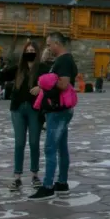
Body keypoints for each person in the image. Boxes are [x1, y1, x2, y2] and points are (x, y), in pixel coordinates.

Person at [29, 32, 78, 200]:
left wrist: (45, 82)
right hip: (61, 110)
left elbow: (63, 84)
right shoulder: (64, 60)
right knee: (61, 147)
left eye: (49, 44)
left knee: (50, 147)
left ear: (57, 43)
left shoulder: (64, 60)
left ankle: (48, 186)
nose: (48, 48)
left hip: (57, 111)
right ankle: (62, 183)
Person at [0, 41, 43, 190]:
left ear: (37, 53)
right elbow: (0, 76)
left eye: (32, 50)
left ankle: (35, 174)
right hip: (17, 108)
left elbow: (52, 82)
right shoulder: (18, 69)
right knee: (19, 143)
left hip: (35, 109)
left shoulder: (42, 68)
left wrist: (41, 87)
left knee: (34, 142)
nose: (30, 52)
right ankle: (17, 177)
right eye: (27, 50)